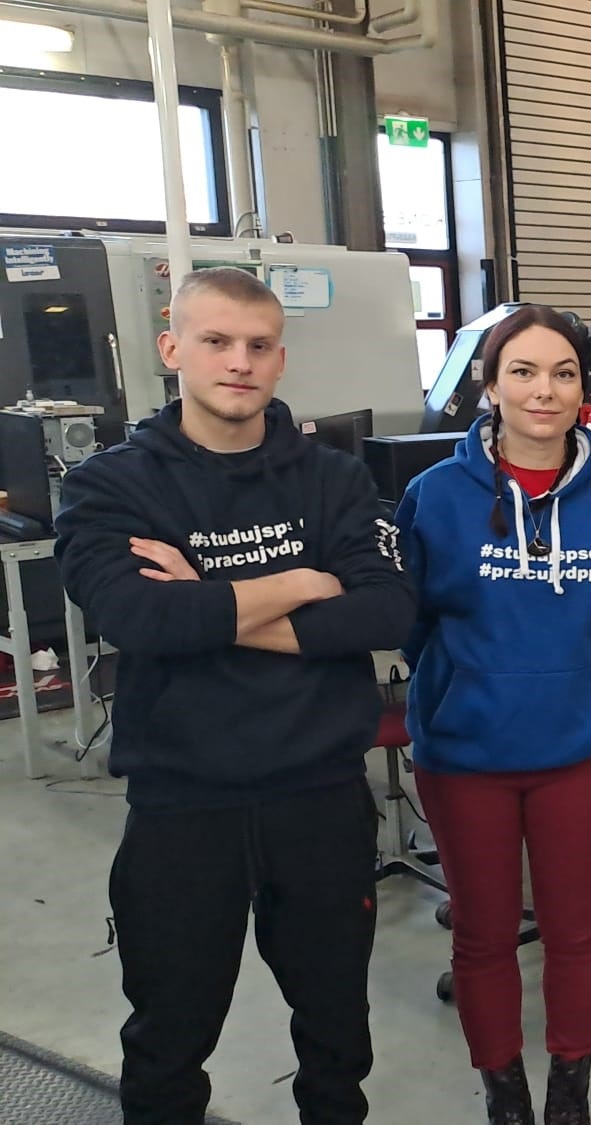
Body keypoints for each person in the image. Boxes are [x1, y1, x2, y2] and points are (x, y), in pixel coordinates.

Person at [54, 268, 415, 1123]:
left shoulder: (332, 478)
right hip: (184, 804)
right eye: (216, 341)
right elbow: (139, 616)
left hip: (319, 797)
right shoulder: (111, 485)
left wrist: (205, 597)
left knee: (336, 1028)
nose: (239, 362)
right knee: (168, 1036)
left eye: (258, 345)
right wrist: (301, 580)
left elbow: (385, 610)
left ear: (281, 360)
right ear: (172, 348)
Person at [394, 305, 591, 1125]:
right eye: (524, 371)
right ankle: (503, 1093)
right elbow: (412, 623)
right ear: (490, 385)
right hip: (463, 752)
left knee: (576, 928)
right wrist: (465, 685)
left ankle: (569, 1092)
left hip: (576, 750)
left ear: (584, 390)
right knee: (483, 933)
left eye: (563, 373)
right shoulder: (433, 496)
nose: (544, 390)